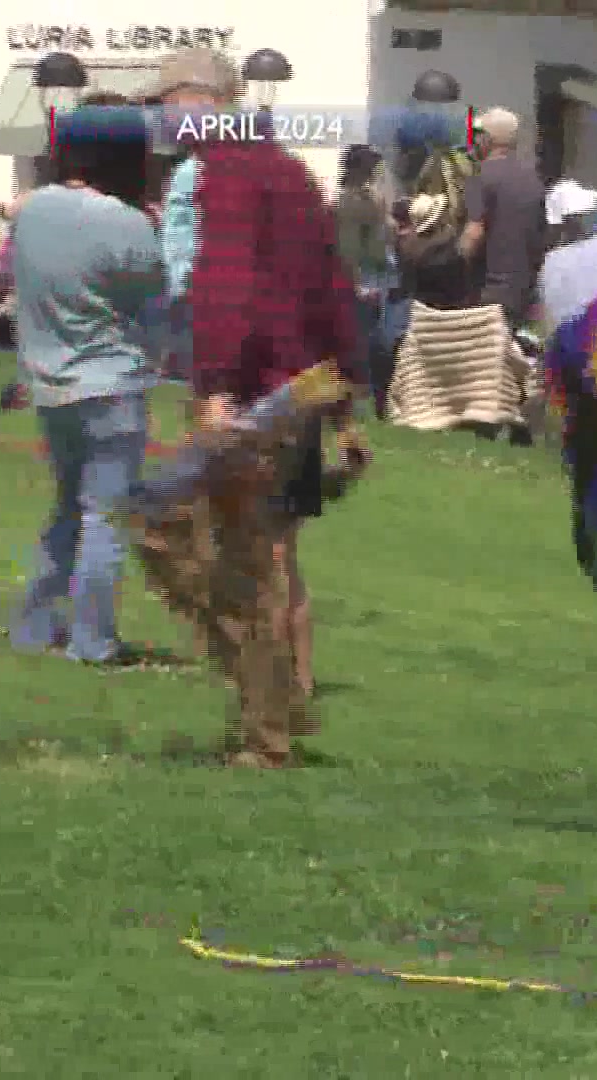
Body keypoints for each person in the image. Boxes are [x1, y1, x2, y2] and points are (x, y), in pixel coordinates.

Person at [145, 46, 363, 768]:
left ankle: (267, 736)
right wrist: (344, 406)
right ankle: (286, 707)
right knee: (269, 556)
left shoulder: (229, 173)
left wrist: (214, 389)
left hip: (253, 397)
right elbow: (333, 289)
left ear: (199, 100)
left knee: (192, 546)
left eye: (165, 102)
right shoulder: (290, 171)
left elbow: (225, 291)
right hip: (300, 389)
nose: (161, 118)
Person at [6, 103, 162, 666]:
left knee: (67, 507)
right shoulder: (128, 223)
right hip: (111, 381)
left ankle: (34, 624)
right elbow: (154, 299)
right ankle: (92, 640)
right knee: (105, 514)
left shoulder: (31, 211)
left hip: (48, 382)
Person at [458, 108, 547, 329]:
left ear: (487, 139)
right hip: (524, 292)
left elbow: (474, 233)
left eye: (478, 135)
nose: (476, 140)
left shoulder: (481, 178)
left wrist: (453, 268)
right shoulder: (533, 179)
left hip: (488, 293)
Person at [335, 145, 394, 415]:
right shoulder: (350, 202)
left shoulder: (365, 199)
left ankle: (368, 400)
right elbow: (348, 248)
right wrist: (357, 284)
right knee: (365, 343)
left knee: (371, 342)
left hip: (373, 274)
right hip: (362, 279)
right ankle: (360, 402)